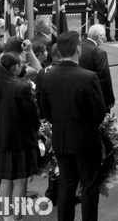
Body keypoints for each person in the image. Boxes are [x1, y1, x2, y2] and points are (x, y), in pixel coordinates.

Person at [39, 31, 107, 221]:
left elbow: (45, 110)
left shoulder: (47, 77)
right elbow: (99, 112)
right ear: (78, 49)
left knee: (66, 185)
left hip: (61, 139)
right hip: (86, 140)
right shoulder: (88, 77)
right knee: (89, 185)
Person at [0, 51, 41, 217]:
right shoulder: (22, 87)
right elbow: (33, 114)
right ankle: (17, 217)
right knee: (20, 181)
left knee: (5, 179)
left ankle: (7, 217)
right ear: (16, 66)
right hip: (21, 139)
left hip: (2, 137)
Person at [80, 24, 115, 110]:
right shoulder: (98, 52)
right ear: (100, 36)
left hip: (80, 95)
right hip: (96, 98)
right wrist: (109, 100)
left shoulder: (79, 47)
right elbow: (104, 79)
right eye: (104, 37)